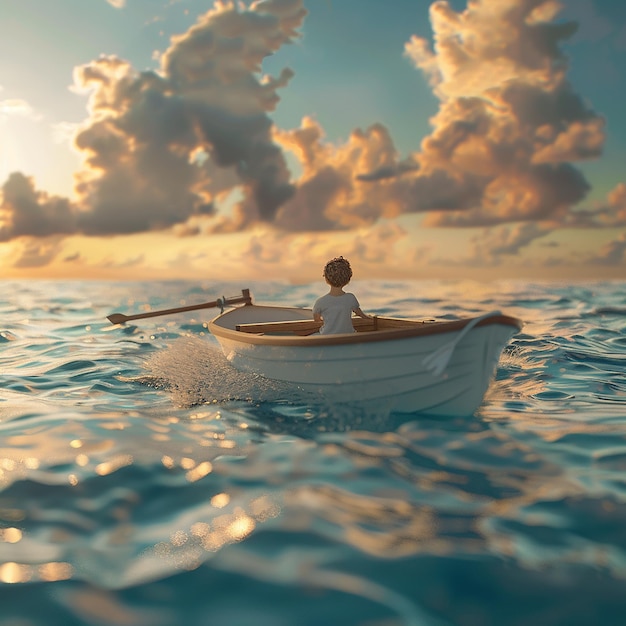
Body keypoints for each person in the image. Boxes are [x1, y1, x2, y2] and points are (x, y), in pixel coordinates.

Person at [313, 256, 370, 334]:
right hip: (349, 334)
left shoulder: (320, 302)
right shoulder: (350, 298)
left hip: (327, 336)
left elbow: (317, 320)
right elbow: (361, 314)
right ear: (348, 279)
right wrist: (370, 318)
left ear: (326, 279)